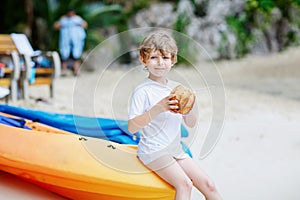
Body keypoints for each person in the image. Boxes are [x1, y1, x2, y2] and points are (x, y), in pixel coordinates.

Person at [128, 32, 223, 200]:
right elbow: (132, 127)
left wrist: (188, 107)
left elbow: (191, 123)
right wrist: (159, 107)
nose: (160, 63)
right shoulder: (142, 91)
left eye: (165, 57)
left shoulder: (176, 88)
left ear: (172, 60)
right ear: (143, 60)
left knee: (209, 185)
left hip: (174, 150)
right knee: (185, 184)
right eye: (154, 58)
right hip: (153, 150)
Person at [54, 8, 88, 76]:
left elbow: (85, 25)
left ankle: (76, 71)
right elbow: (56, 26)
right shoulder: (64, 19)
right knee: (64, 56)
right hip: (65, 40)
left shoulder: (77, 19)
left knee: (76, 56)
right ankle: (64, 71)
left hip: (76, 40)